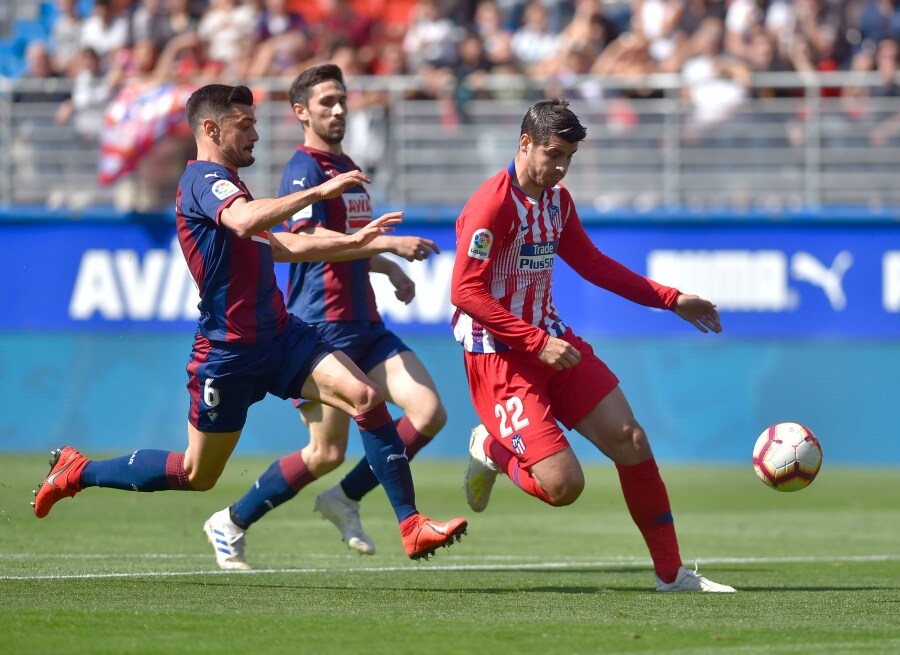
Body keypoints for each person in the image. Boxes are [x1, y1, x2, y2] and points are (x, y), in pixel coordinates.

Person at [32, 83, 467, 564]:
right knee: (198, 474)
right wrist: (320, 193)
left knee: (365, 397)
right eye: (246, 124)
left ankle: (411, 524)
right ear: (211, 128)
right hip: (228, 352)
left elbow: (285, 246)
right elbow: (242, 223)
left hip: (281, 336)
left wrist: (364, 243)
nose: (256, 133)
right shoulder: (203, 181)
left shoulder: (234, 187)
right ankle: (79, 471)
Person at [451, 98, 735, 592]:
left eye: (569, 158)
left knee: (632, 441)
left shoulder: (557, 202)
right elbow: (464, 292)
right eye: (553, 154)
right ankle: (494, 449)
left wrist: (671, 300)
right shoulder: (491, 205)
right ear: (525, 144)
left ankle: (671, 575)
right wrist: (534, 341)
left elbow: (593, 264)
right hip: (499, 356)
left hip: (552, 341)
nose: (560, 168)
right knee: (564, 487)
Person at [201, 64, 449, 569]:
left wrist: (384, 266)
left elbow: (348, 244)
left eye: (341, 100)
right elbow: (307, 243)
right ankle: (231, 520)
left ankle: (346, 498)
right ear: (301, 113)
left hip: (367, 323)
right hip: (322, 326)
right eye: (325, 103)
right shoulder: (304, 169)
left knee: (428, 413)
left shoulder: (348, 166)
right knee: (324, 453)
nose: (337, 110)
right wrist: (389, 244)